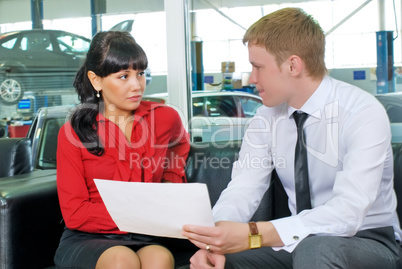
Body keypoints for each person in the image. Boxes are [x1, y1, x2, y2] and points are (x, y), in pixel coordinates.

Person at [182, 7, 402, 269]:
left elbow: (348, 212)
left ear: (293, 65)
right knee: (215, 264)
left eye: (258, 67)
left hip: (369, 240)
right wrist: (215, 241)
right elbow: (244, 188)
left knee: (317, 248)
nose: (252, 79)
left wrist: (253, 235)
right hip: (299, 242)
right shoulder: (266, 117)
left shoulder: (361, 112)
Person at [54, 31, 190, 269]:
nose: (137, 85)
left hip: (145, 235)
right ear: (96, 80)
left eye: (140, 74)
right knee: (121, 260)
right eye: (123, 76)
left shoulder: (165, 118)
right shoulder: (73, 133)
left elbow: (179, 145)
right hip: (90, 237)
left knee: (159, 259)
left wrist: (170, 181)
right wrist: (143, 212)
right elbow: (75, 212)